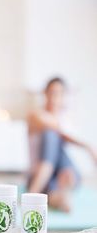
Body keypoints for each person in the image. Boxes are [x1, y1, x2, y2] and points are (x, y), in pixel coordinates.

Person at [27, 77, 97, 212]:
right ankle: (45, 193)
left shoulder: (64, 118)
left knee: (66, 169)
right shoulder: (36, 115)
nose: (55, 98)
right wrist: (88, 147)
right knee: (51, 135)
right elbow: (58, 131)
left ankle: (56, 194)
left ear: (64, 96)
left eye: (59, 94)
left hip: (59, 172)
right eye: (52, 92)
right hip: (37, 174)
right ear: (45, 93)